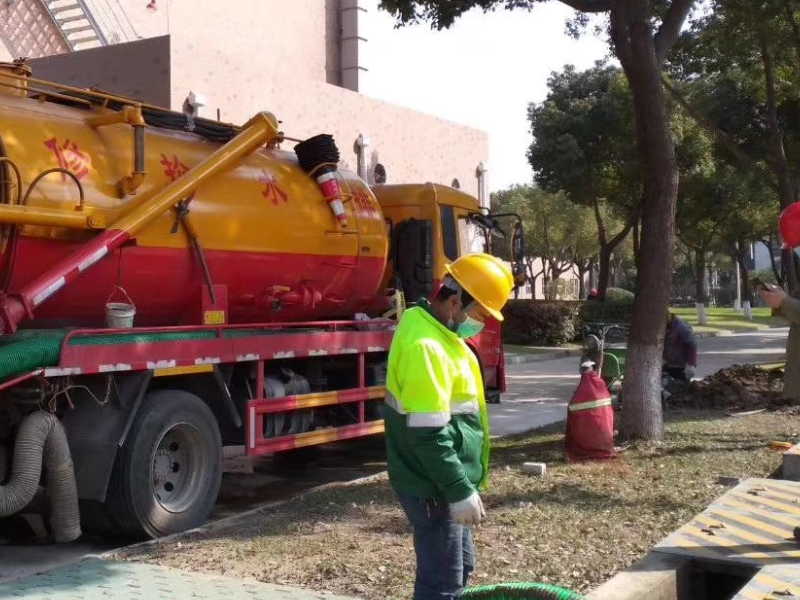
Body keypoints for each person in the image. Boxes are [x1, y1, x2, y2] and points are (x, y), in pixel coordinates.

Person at [383, 253, 514, 600]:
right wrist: (457, 489)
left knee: (460, 568)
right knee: (442, 584)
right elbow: (428, 433)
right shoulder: (426, 347)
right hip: (433, 486)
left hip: (438, 481)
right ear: (456, 302)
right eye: (480, 314)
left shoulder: (438, 330)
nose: (481, 323)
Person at [663, 312, 698, 381]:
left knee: (680, 388)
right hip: (668, 364)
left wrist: (691, 364)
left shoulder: (681, 327)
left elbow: (692, 344)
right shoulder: (665, 326)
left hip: (681, 367)